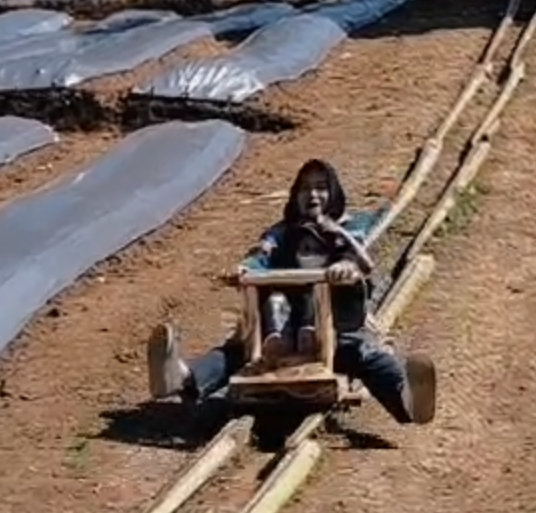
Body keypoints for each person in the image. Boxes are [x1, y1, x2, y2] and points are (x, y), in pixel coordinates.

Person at [146, 157, 438, 427]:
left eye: (321, 188)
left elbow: (357, 254)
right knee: (238, 351)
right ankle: (181, 378)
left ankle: (408, 400)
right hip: (282, 327)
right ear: (295, 196)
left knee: (366, 356)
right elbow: (260, 255)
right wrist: (244, 269)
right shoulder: (281, 233)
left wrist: (346, 265)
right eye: (305, 188)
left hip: (335, 330)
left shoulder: (349, 227)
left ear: (333, 193)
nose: (313, 195)